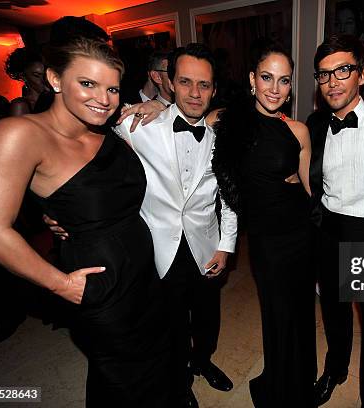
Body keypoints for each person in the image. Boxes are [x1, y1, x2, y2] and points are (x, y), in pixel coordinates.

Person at [0, 37, 174, 406]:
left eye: (112, 88)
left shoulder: (106, 126)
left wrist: (159, 108)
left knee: (157, 363)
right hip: (100, 285)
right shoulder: (19, 133)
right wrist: (60, 284)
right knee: (123, 381)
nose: (104, 98)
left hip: (145, 275)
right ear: (54, 79)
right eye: (87, 84)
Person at [115, 44, 237, 407]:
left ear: (214, 89)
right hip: (159, 246)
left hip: (205, 244)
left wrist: (226, 245)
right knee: (169, 324)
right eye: (185, 82)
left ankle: (203, 361)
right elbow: (88, 140)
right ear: (169, 82)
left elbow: (231, 197)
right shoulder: (138, 126)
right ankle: (179, 380)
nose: (195, 93)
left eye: (204, 85)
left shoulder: (221, 137)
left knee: (207, 316)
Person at [211, 41, 316, 408]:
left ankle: (298, 388)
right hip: (266, 241)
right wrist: (148, 106)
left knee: (300, 313)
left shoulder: (298, 131)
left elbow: (311, 190)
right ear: (253, 80)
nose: (275, 88)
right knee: (276, 314)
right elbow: (181, 118)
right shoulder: (225, 121)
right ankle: (279, 387)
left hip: (299, 233)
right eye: (267, 78)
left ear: (291, 87)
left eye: (284, 81)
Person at [307, 34, 364, 408]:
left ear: (361, 75)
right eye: (324, 74)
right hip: (328, 229)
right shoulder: (313, 124)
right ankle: (335, 370)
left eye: (342, 71)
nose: (332, 82)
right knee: (333, 309)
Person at [4, 47, 47, 115]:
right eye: (36, 75)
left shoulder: (55, 100)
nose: (44, 79)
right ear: (23, 77)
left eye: (46, 74)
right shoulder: (20, 105)